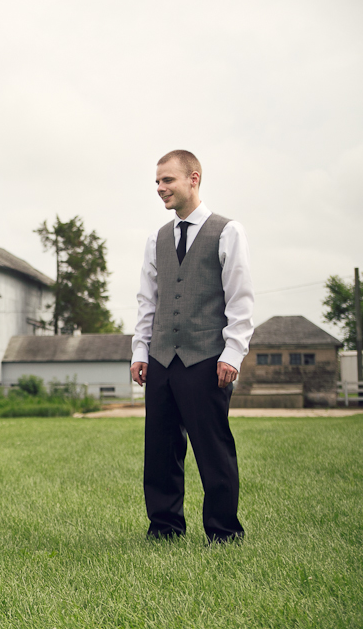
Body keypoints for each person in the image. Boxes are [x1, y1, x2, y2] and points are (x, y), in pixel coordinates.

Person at [130, 150, 254, 543]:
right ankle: (165, 527)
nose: (160, 188)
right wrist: (140, 351)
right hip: (162, 357)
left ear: (193, 179)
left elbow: (240, 299)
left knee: (213, 448)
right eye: (157, 182)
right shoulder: (157, 239)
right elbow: (148, 300)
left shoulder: (227, 231)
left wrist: (233, 352)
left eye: (167, 180)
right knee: (161, 450)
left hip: (206, 358)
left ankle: (223, 531)